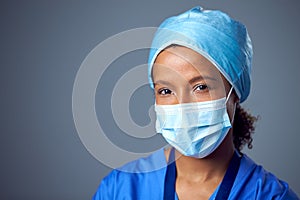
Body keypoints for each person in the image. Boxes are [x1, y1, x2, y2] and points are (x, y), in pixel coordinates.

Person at [93, 6, 299, 199]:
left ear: (234, 93)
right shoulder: (120, 189)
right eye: (166, 91)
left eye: (201, 87)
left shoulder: (268, 195)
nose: (182, 106)